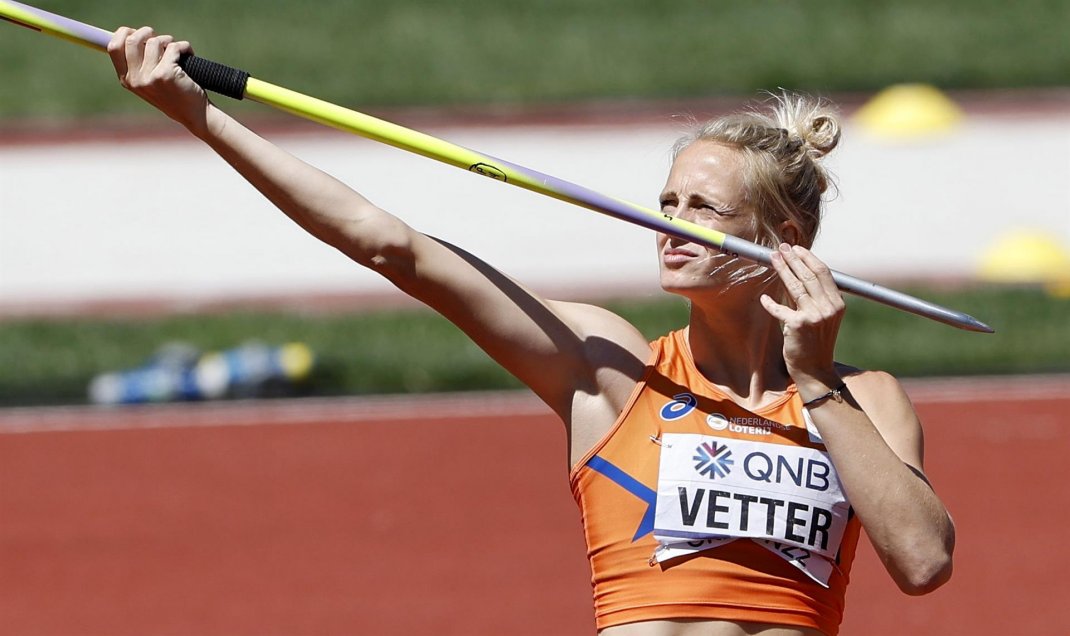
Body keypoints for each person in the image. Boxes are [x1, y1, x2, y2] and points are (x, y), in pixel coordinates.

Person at [107, 26, 955, 636]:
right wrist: (198, 117)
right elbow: (388, 245)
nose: (670, 226)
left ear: (784, 241)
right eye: (666, 203)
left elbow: (922, 563)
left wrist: (813, 383)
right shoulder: (611, 369)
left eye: (703, 209)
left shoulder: (865, 401)